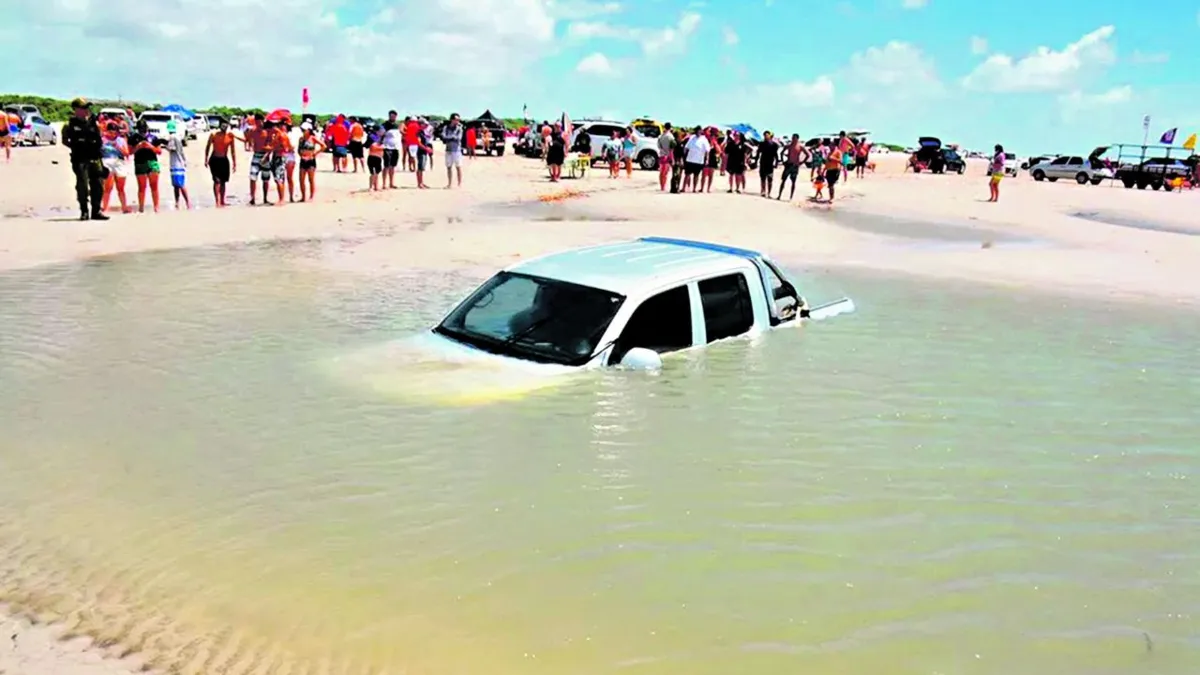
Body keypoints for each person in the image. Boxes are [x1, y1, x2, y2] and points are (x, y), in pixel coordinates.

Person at [61, 98, 108, 220]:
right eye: (83, 108)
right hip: (80, 159)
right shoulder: (69, 125)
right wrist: (76, 148)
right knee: (82, 185)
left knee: (98, 185)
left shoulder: (94, 123)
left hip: (95, 158)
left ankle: (96, 211)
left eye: (87, 107)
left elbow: (100, 139)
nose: (86, 110)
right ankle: (84, 211)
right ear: (76, 109)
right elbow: (64, 140)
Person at [99, 122, 131, 214]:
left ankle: (124, 207)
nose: (113, 134)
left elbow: (127, 153)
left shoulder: (121, 140)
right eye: (110, 132)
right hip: (107, 161)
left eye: (115, 132)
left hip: (119, 162)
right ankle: (105, 207)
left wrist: (117, 146)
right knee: (108, 187)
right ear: (107, 131)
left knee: (121, 187)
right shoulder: (102, 140)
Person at [204, 119, 237, 207]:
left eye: (226, 126)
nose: (224, 127)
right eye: (223, 126)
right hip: (214, 159)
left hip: (224, 160)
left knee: (223, 182)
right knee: (217, 181)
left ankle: (222, 200)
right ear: (220, 126)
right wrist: (206, 159)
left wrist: (234, 163)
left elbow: (233, 151)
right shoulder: (214, 135)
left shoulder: (230, 136)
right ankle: (217, 201)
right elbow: (208, 146)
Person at [130, 129, 162, 213]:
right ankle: (141, 207)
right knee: (141, 187)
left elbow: (159, 151)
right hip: (139, 163)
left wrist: (150, 146)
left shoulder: (153, 137)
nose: (142, 132)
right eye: (141, 130)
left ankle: (156, 206)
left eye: (144, 130)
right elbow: (130, 152)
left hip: (152, 162)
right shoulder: (134, 137)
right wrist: (138, 146)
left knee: (154, 186)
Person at [296, 122, 325, 201]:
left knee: (311, 179)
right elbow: (299, 149)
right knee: (301, 179)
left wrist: (315, 153)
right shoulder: (301, 139)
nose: (303, 131)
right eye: (302, 130)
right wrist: (301, 155)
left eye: (304, 130)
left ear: (309, 130)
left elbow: (323, 146)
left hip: (311, 160)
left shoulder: (313, 138)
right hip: (303, 160)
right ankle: (303, 197)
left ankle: (311, 196)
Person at [777, 134, 810, 201]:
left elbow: (807, 155)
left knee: (793, 181)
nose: (793, 139)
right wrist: (783, 161)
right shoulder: (789, 146)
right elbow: (781, 152)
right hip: (788, 164)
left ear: (797, 139)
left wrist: (802, 162)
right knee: (783, 180)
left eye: (794, 138)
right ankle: (779, 195)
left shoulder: (800, 146)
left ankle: (791, 197)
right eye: (792, 138)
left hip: (795, 165)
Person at [166, 132, 190, 210]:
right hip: (176, 164)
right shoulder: (177, 137)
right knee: (176, 186)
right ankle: (177, 202)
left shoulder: (173, 138)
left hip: (177, 165)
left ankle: (187, 202)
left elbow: (172, 148)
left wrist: (165, 145)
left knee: (180, 184)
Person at [682, 126, 709, 193]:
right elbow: (686, 147)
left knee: (696, 175)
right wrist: (683, 156)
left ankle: (694, 189)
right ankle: (683, 188)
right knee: (687, 174)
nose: (698, 132)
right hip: (690, 159)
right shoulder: (692, 137)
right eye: (697, 131)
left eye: (699, 131)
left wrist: (707, 159)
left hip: (699, 160)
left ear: (701, 131)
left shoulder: (704, 139)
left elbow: (707, 150)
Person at [442, 113, 464, 188]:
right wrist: (452, 137)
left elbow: (458, 138)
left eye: (458, 120)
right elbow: (443, 136)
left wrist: (449, 138)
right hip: (448, 150)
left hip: (456, 150)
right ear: (452, 120)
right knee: (449, 167)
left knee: (458, 166)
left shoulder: (459, 128)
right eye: (456, 119)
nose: (458, 121)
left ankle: (459, 183)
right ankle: (449, 184)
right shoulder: (446, 128)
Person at [757, 131, 780, 197]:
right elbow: (758, 153)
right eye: (765, 135)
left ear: (770, 136)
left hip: (770, 163)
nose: (766, 136)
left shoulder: (774, 145)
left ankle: (769, 193)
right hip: (763, 162)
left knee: (770, 179)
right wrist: (755, 161)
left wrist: (776, 163)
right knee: (763, 178)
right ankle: (763, 191)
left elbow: (776, 154)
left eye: (767, 135)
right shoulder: (761, 144)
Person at [657, 122, 675, 191]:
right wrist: (672, 158)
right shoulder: (671, 136)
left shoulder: (660, 136)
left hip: (661, 155)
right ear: (670, 128)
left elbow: (658, 146)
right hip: (667, 156)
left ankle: (662, 186)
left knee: (661, 172)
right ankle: (663, 186)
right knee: (665, 173)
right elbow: (671, 149)